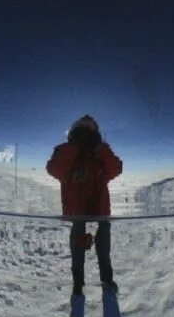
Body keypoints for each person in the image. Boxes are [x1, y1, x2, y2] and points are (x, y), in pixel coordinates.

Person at [45, 114, 122, 297]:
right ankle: (78, 284)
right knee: (77, 253)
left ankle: (106, 279)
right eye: (82, 129)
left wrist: (99, 148)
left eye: (90, 130)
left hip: (101, 212)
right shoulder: (68, 155)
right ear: (73, 131)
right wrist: (74, 147)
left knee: (104, 250)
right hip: (77, 213)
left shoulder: (100, 155)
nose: (86, 133)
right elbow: (54, 168)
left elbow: (116, 168)